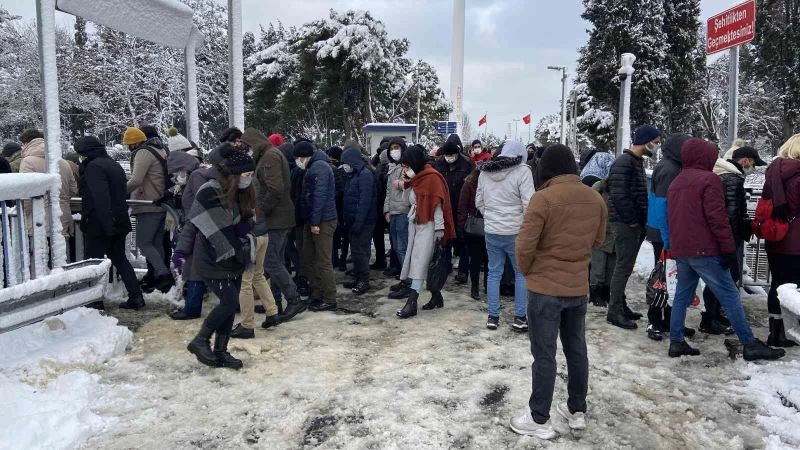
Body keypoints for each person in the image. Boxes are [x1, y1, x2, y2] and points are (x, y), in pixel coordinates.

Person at [511, 144, 606, 440]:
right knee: (576, 348)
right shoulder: (595, 198)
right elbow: (599, 240)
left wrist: (529, 272)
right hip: (578, 286)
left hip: (545, 289)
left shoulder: (542, 199)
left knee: (544, 353)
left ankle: (539, 417)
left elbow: (524, 247)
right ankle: (577, 409)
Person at [667, 138, 784, 361]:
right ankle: (749, 343)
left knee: (682, 296)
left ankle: (676, 341)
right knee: (730, 295)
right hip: (706, 250)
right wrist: (729, 250)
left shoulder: (677, 181)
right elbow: (717, 218)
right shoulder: (709, 179)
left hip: (683, 249)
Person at [185, 144, 255, 369]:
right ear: (233, 174)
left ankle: (220, 351)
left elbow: (244, 225)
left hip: (234, 257)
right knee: (229, 302)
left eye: (252, 174)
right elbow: (217, 231)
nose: (249, 179)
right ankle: (200, 340)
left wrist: (245, 230)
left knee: (230, 305)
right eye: (246, 174)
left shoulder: (239, 193)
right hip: (213, 259)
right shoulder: (210, 190)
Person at [241, 129, 303, 324]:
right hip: (277, 218)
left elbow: (275, 189)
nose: (247, 151)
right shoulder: (269, 155)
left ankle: (294, 299)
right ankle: (276, 304)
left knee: (270, 262)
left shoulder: (269, 157)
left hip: (276, 219)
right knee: (277, 261)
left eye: (247, 147)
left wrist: (259, 211)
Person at [702, 146, 766, 335]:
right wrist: (733, 237)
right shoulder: (732, 178)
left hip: (725, 236)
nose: (753, 167)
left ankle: (713, 314)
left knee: (720, 278)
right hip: (728, 238)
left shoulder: (726, 175)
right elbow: (730, 213)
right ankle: (709, 319)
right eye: (753, 163)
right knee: (721, 279)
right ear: (745, 160)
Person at [74, 136, 143, 311]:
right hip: (118, 221)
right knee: (120, 259)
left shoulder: (94, 167)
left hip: (100, 224)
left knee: (93, 263)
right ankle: (136, 296)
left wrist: (105, 224)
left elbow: (100, 197)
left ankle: (94, 301)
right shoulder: (113, 164)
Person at [476, 140, 536, 331]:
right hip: (516, 231)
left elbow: (479, 201)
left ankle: (493, 316)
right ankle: (520, 317)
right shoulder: (523, 171)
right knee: (520, 273)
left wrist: (491, 216)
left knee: (493, 273)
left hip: (492, 230)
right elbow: (530, 204)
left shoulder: (485, 171)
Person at [606, 124, 661, 330]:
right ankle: (614, 311)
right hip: (625, 224)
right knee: (623, 266)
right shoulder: (624, 162)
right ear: (644, 141)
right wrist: (632, 221)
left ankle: (621, 305)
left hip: (633, 224)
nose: (656, 146)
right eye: (655, 142)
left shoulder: (635, 162)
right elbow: (619, 196)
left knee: (625, 267)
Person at [396, 144, 456, 319]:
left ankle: (412, 301)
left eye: (407, 166)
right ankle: (436, 296)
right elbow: (407, 200)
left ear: (414, 163)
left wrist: (439, 230)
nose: (405, 170)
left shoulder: (432, 178)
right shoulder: (416, 179)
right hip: (416, 223)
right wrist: (406, 183)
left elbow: (438, 205)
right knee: (422, 262)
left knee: (420, 262)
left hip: (429, 226)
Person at [644, 133, 691, 340]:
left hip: (663, 230)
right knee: (662, 278)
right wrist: (668, 237)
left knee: (670, 276)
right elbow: (663, 205)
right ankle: (655, 320)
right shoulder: (670, 169)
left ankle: (670, 320)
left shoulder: (671, 166)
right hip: (664, 232)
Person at [124, 127, 173, 294]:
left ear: (134, 143)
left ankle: (163, 275)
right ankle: (162, 278)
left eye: (128, 144)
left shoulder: (143, 152)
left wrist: (119, 190)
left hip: (147, 203)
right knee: (156, 242)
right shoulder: (161, 149)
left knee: (143, 243)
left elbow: (136, 180)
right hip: (160, 203)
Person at [763, 134, 800, 347]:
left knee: (777, 283)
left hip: (776, 236)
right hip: (796, 241)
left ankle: (774, 331)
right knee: (795, 288)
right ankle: (789, 331)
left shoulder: (773, 172)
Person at [170, 151, 217, 321]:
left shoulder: (196, 176)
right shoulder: (201, 173)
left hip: (200, 227)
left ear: (183, 168)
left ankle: (192, 308)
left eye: (175, 172)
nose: (175, 177)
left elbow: (202, 201)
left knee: (194, 268)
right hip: (203, 226)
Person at [293, 140, 338, 312]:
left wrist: (315, 222)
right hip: (314, 219)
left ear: (304, 156)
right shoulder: (315, 166)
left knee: (323, 260)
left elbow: (319, 197)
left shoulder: (319, 167)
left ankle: (329, 298)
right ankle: (317, 293)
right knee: (309, 257)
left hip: (322, 221)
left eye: (298, 158)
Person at [18, 129, 78, 242]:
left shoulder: (27, 162)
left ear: (26, 142)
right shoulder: (62, 162)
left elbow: (26, 194)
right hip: (62, 218)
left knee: (39, 256)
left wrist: (26, 215)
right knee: (60, 256)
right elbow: (73, 190)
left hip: (38, 220)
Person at [435, 136, 473, 284]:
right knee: (446, 239)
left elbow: (472, 184)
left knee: (462, 239)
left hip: (461, 206)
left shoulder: (467, 164)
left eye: (452, 155)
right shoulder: (439, 164)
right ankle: (445, 266)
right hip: (445, 205)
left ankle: (463, 271)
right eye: (447, 155)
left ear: (457, 154)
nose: (449, 158)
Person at [341, 145, 377, 295]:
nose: (344, 167)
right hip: (354, 220)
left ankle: (364, 280)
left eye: (346, 163)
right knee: (355, 251)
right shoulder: (354, 175)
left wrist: (358, 223)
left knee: (360, 251)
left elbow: (364, 202)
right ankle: (358, 277)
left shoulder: (365, 175)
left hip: (364, 221)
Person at [581, 152, 615, 306]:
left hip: (600, 226)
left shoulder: (585, 175)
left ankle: (599, 292)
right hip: (599, 226)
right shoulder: (596, 183)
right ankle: (596, 293)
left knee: (599, 262)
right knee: (598, 262)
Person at [385, 140, 413, 299]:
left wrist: (402, 184)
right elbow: (388, 192)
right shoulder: (391, 168)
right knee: (396, 247)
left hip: (403, 211)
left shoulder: (407, 167)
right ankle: (404, 278)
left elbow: (413, 185)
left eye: (397, 148)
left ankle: (408, 282)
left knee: (403, 248)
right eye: (392, 148)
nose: (394, 151)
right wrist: (386, 210)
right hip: (394, 212)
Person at [457, 167, 487, 300]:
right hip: (473, 227)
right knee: (475, 259)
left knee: (488, 259)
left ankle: (487, 285)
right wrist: (462, 226)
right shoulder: (468, 185)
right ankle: (475, 286)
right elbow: (462, 207)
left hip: (489, 224)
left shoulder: (490, 185)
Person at [327, 146, 349, 271]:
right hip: (341, 207)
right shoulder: (339, 169)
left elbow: (339, 190)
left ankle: (337, 259)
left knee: (337, 235)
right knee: (342, 236)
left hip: (340, 207)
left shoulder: (337, 170)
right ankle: (340, 259)